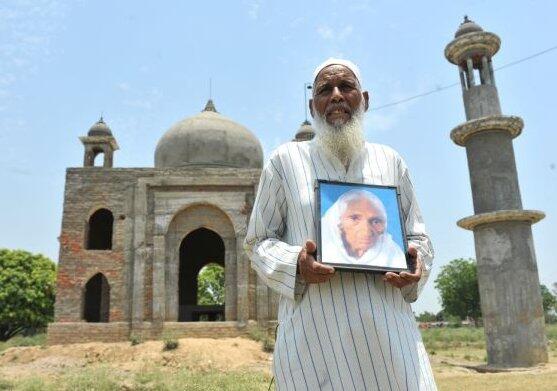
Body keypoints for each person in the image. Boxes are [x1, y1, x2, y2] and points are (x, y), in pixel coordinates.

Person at [244, 58, 437, 390]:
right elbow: (258, 240)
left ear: (364, 99)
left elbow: (418, 234)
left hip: (389, 339)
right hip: (314, 339)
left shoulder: (389, 161)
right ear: (312, 105)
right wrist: (296, 264)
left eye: (346, 87)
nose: (336, 95)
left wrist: (416, 260)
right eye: (325, 90)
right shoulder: (285, 161)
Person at [321, 189, 407, 269]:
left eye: (376, 221)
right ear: (338, 222)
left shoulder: (395, 257)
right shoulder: (323, 251)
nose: (366, 230)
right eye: (355, 218)